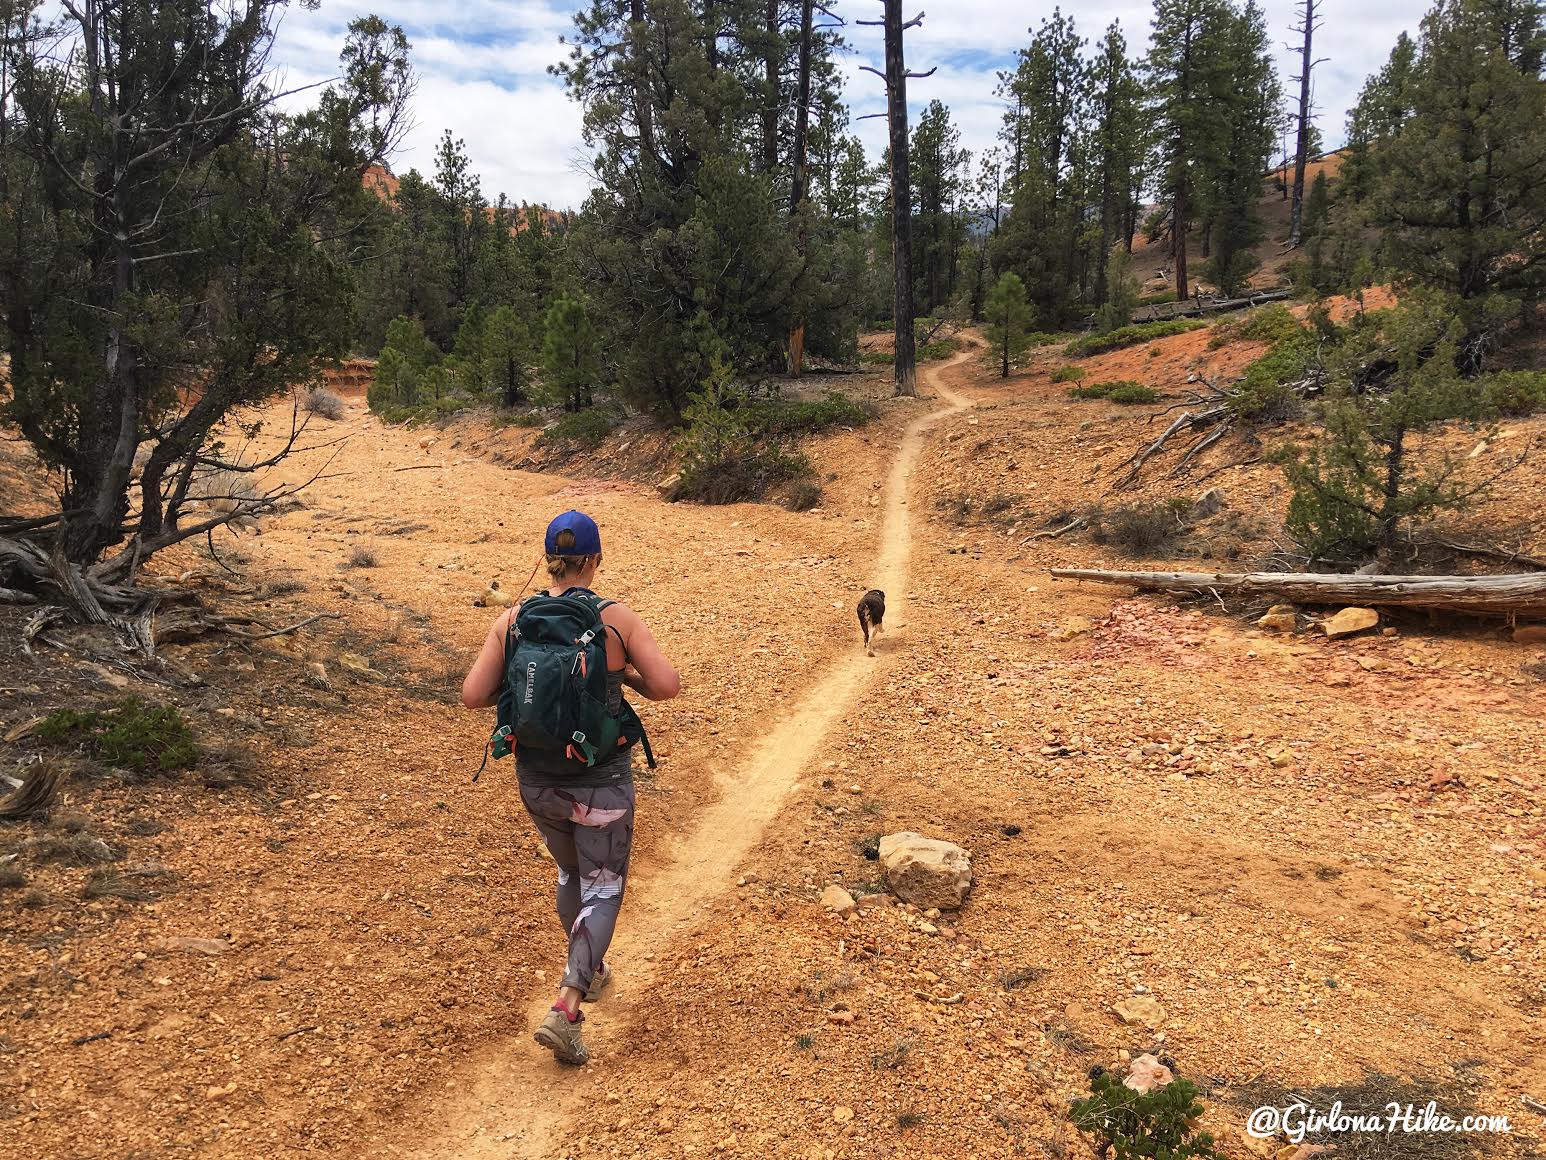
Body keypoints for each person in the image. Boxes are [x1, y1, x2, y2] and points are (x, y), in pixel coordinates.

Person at [461, 510, 680, 1065]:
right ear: (595, 559)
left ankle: (592, 968)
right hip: (600, 780)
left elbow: (472, 696)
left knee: (571, 874)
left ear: (550, 559)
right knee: (603, 887)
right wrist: (620, 672)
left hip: (536, 781)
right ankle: (567, 1005)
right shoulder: (615, 620)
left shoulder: (512, 621)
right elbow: (666, 686)